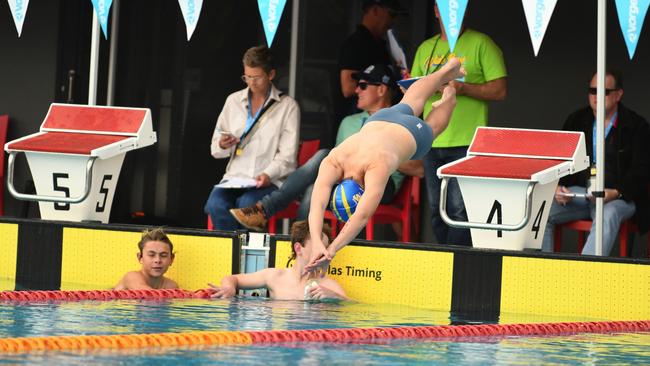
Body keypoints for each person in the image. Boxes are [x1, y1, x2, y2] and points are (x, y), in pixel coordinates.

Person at [305, 57, 465, 274]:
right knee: (412, 98)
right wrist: (316, 241)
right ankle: (446, 70)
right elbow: (317, 204)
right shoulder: (336, 158)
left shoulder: (372, 168)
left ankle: (450, 97)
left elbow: (360, 216)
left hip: (410, 133)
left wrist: (330, 249)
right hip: (380, 119)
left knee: (432, 127)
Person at [229, 64, 422, 231]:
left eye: (363, 86)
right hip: (347, 180)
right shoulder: (349, 122)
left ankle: (267, 211)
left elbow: (420, 168)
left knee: (324, 155)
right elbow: (336, 164)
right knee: (316, 184)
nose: (356, 91)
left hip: (379, 184)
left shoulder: (399, 122)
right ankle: (302, 245)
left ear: (381, 89)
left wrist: (379, 155)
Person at [410, 2, 507, 246]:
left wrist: (462, 88)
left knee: (459, 211)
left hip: (467, 140)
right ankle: (447, 260)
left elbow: (500, 90)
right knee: (435, 211)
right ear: (434, 10)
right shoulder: (425, 48)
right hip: (430, 138)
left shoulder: (481, 43)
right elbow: (413, 92)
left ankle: (456, 264)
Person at [542, 70, 650, 256]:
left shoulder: (637, 126)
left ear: (618, 94)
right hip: (580, 194)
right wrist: (558, 187)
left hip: (619, 197)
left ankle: (585, 276)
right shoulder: (576, 120)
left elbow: (642, 171)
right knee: (541, 212)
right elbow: (559, 160)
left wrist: (616, 192)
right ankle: (542, 275)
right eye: (593, 91)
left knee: (606, 215)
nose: (597, 96)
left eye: (604, 91)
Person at [204, 45, 300, 231]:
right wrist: (222, 144)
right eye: (247, 77)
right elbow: (215, 149)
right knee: (215, 204)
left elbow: (287, 157)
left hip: (268, 181)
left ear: (270, 74)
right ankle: (230, 254)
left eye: (256, 77)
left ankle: (241, 254)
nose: (251, 83)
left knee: (246, 203)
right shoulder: (233, 101)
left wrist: (268, 175)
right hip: (235, 177)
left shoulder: (288, 106)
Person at [207, 220, 348, 301]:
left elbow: (352, 307)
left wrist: (333, 296)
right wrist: (229, 288)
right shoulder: (274, 277)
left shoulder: (327, 285)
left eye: (325, 247)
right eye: (318, 246)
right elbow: (232, 278)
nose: (323, 252)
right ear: (299, 248)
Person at [335, 0, 407, 144]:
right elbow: (348, 88)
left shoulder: (381, 44)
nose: (394, 21)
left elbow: (417, 166)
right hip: (357, 118)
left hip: (389, 116)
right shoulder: (355, 44)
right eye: (392, 15)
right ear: (375, 10)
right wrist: (368, 85)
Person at [114, 228, 178, 290]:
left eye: (163, 255)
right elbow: (148, 294)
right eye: (151, 255)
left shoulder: (171, 286)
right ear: (140, 257)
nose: (157, 260)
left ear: (171, 259)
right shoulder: (131, 277)